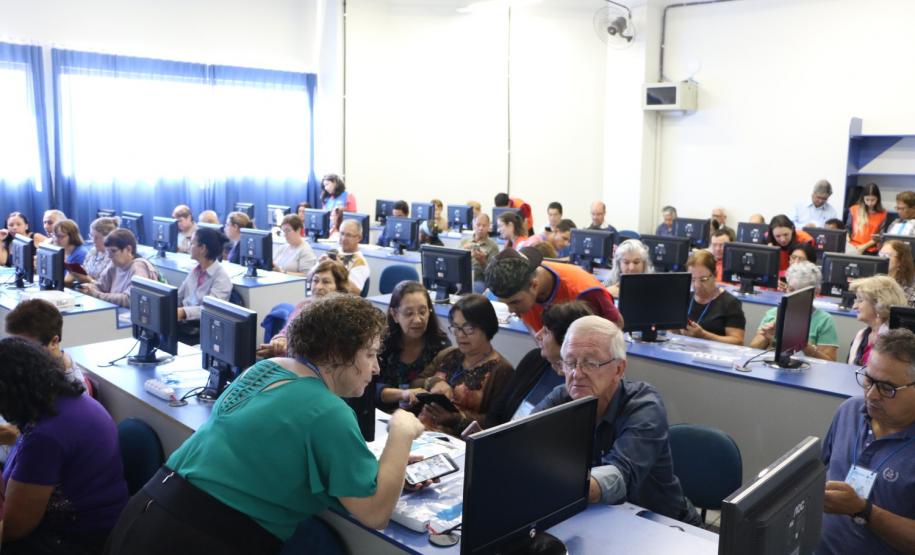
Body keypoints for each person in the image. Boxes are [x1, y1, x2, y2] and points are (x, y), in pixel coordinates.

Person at [104, 295, 428, 555]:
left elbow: (277, 449)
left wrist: (386, 465)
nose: (375, 368)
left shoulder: (268, 368)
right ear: (336, 352)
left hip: (149, 510)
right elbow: (374, 513)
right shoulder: (329, 411)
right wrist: (401, 432)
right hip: (204, 538)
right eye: (369, 354)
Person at [533, 316, 700, 525]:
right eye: (570, 362)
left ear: (619, 369)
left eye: (590, 363)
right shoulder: (562, 397)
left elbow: (619, 475)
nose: (576, 373)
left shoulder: (644, 404)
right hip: (595, 518)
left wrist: (553, 483)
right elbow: (524, 439)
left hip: (661, 525)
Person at [0, 337, 127, 555]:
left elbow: (13, 528)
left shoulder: (45, 438)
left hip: (75, 540)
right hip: (104, 526)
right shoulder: (68, 401)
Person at [819, 329, 915, 555]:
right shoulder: (849, 411)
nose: (871, 395)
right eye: (868, 380)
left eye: (887, 388)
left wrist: (863, 510)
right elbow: (819, 472)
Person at [417, 294, 513, 435]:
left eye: (468, 328)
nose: (460, 335)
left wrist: (455, 419)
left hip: (459, 442)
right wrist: (434, 382)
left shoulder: (502, 371)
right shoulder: (448, 354)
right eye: (456, 327)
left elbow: (496, 422)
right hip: (421, 430)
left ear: (486, 327)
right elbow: (416, 382)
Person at [487, 301, 594, 427]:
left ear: (566, 340)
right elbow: (498, 409)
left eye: (546, 331)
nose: (538, 335)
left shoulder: (581, 381)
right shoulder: (534, 359)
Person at [484, 246, 623, 335]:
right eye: (506, 303)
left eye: (514, 302)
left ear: (534, 285)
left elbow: (616, 325)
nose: (511, 310)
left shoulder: (584, 290)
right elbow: (537, 334)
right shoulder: (523, 296)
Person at [375, 281, 451, 413]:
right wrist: (402, 394)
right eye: (409, 313)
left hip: (425, 419)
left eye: (422, 312)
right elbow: (371, 387)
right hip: (384, 415)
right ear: (394, 314)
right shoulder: (382, 343)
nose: (417, 320)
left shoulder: (441, 345)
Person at [256, 260, 350, 358]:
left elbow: (324, 354)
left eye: (326, 282)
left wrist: (287, 349)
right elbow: (287, 331)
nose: (318, 287)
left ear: (339, 288)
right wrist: (280, 341)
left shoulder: (342, 316)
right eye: (315, 280)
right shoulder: (303, 306)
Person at [750, 261, 839, 361]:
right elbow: (753, 349)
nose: (794, 296)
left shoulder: (824, 320)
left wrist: (803, 344)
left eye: (801, 292)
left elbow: (830, 362)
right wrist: (766, 336)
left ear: (815, 293)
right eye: (791, 290)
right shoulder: (773, 313)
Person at [5, 298, 90, 388]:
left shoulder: (68, 374)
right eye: (12, 342)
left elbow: (80, 397)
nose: (15, 352)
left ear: (54, 342)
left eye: (25, 347)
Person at [676, 250, 745, 345]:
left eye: (703, 279)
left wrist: (704, 335)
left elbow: (738, 341)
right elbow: (669, 331)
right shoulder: (684, 298)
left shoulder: (730, 303)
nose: (697, 285)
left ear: (715, 275)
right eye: (692, 279)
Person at [82, 229, 158, 307]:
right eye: (108, 252)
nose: (109, 256)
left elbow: (130, 299)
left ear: (128, 249)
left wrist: (97, 295)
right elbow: (100, 286)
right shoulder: (114, 265)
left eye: (113, 251)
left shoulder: (139, 267)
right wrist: (89, 288)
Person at [176, 227, 232, 324]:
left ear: (202, 248)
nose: (189, 246)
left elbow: (210, 310)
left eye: (192, 243)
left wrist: (183, 312)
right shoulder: (195, 270)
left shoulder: (221, 278)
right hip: (182, 322)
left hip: (198, 328)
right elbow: (179, 297)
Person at [848, 275, 908, 366]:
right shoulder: (862, 335)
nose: (854, 306)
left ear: (879, 303)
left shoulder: (896, 341)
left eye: (860, 300)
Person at [323, 219, 370, 295]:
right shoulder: (333, 252)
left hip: (340, 300)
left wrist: (341, 269)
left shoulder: (359, 261)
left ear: (359, 238)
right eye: (342, 233)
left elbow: (355, 292)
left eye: (349, 235)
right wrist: (319, 266)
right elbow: (309, 277)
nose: (344, 238)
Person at [460, 213, 499, 293]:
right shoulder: (464, 241)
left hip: (479, 279)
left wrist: (482, 261)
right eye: (478, 225)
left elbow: (493, 274)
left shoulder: (493, 246)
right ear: (473, 225)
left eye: (484, 226)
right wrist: (464, 252)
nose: (481, 228)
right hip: (462, 277)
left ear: (489, 227)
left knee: (475, 288)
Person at [71, 216, 118, 284]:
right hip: (85, 289)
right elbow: (85, 269)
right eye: (92, 236)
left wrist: (89, 280)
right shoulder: (93, 251)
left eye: (97, 238)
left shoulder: (114, 258)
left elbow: (107, 287)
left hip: (98, 292)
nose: (93, 241)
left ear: (108, 238)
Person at [848, 183, 887, 255]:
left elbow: (881, 235)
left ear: (878, 199)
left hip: (871, 249)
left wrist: (863, 247)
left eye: (873, 200)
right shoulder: (854, 209)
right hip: (853, 247)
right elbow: (848, 228)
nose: (870, 203)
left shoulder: (883, 213)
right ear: (863, 198)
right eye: (867, 199)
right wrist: (848, 241)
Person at [880, 239, 915, 306]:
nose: (882, 259)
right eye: (880, 255)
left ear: (900, 260)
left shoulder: (910, 284)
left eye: (886, 255)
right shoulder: (874, 281)